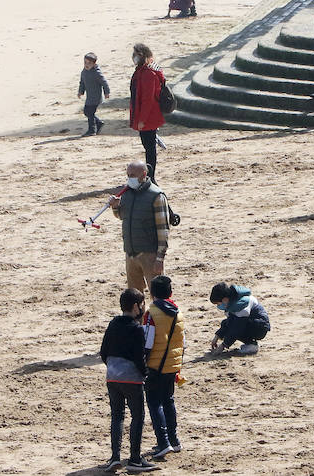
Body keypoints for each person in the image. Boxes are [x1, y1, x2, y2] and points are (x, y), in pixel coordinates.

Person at [99, 288, 157, 473]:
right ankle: (134, 459)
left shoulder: (113, 324)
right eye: (141, 305)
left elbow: (103, 352)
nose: (142, 308)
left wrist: (113, 368)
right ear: (135, 306)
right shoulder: (137, 330)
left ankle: (115, 457)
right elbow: (139, 358)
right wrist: (145, 374)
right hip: (131, 380)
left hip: (112, 377)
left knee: (117, 416)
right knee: (137, 417)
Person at [111, 160, 169, 294]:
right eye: (128, 175)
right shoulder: (127, 193)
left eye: (133, 175)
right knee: (134, 298)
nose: (130, 178)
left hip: (150, 255)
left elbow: (163, 230)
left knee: (158, 296)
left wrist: (160, 258)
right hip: (130, 253)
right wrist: (115, 207)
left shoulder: (156, 196)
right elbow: (122, 216)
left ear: (143, 174)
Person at [143, 275, 184, 461]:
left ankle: (163, 441)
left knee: (154, 402)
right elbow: (182, 341)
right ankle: (174, 440)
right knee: (168, 400)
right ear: (171, 293)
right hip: (172, 365)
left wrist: (142, 362)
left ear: (152, 294)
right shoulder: (178, 312)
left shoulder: (151, 313)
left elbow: (147, 341)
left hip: (154, 365)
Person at [128, 44, 167, 179]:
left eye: (137, 54)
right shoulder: (142, 71)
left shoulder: (148, 74)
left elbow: (148, 100)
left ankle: (151, 177)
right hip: (146, 117)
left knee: (150, 149)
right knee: (148, 147)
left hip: (148, 118)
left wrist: (142, 120)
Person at [208, 283, 270, 355]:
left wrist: (223, 346)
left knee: (235, 328)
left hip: (259, 327)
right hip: (251, 323)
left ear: (225, 299)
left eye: (218, 304)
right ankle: (250, 343)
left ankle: (252, 345)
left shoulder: (242, 305)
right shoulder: (233, 301)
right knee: (228, 323)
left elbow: (237, 328)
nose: (218, 306)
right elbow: (229, 322)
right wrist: (217, 337)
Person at [80, 52, 111, 136]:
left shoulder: (96, 73)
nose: (86, 65)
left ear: (94, 64)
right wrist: (81, 91)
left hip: (96, 97)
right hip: (89, 97)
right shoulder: (84, 72)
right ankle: (98, 123)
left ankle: (92, 130)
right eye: (85, 62)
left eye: (89, 63)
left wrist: (107, 92)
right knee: (87, 112)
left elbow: (104, 82)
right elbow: (82, 82)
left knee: (89, 112)